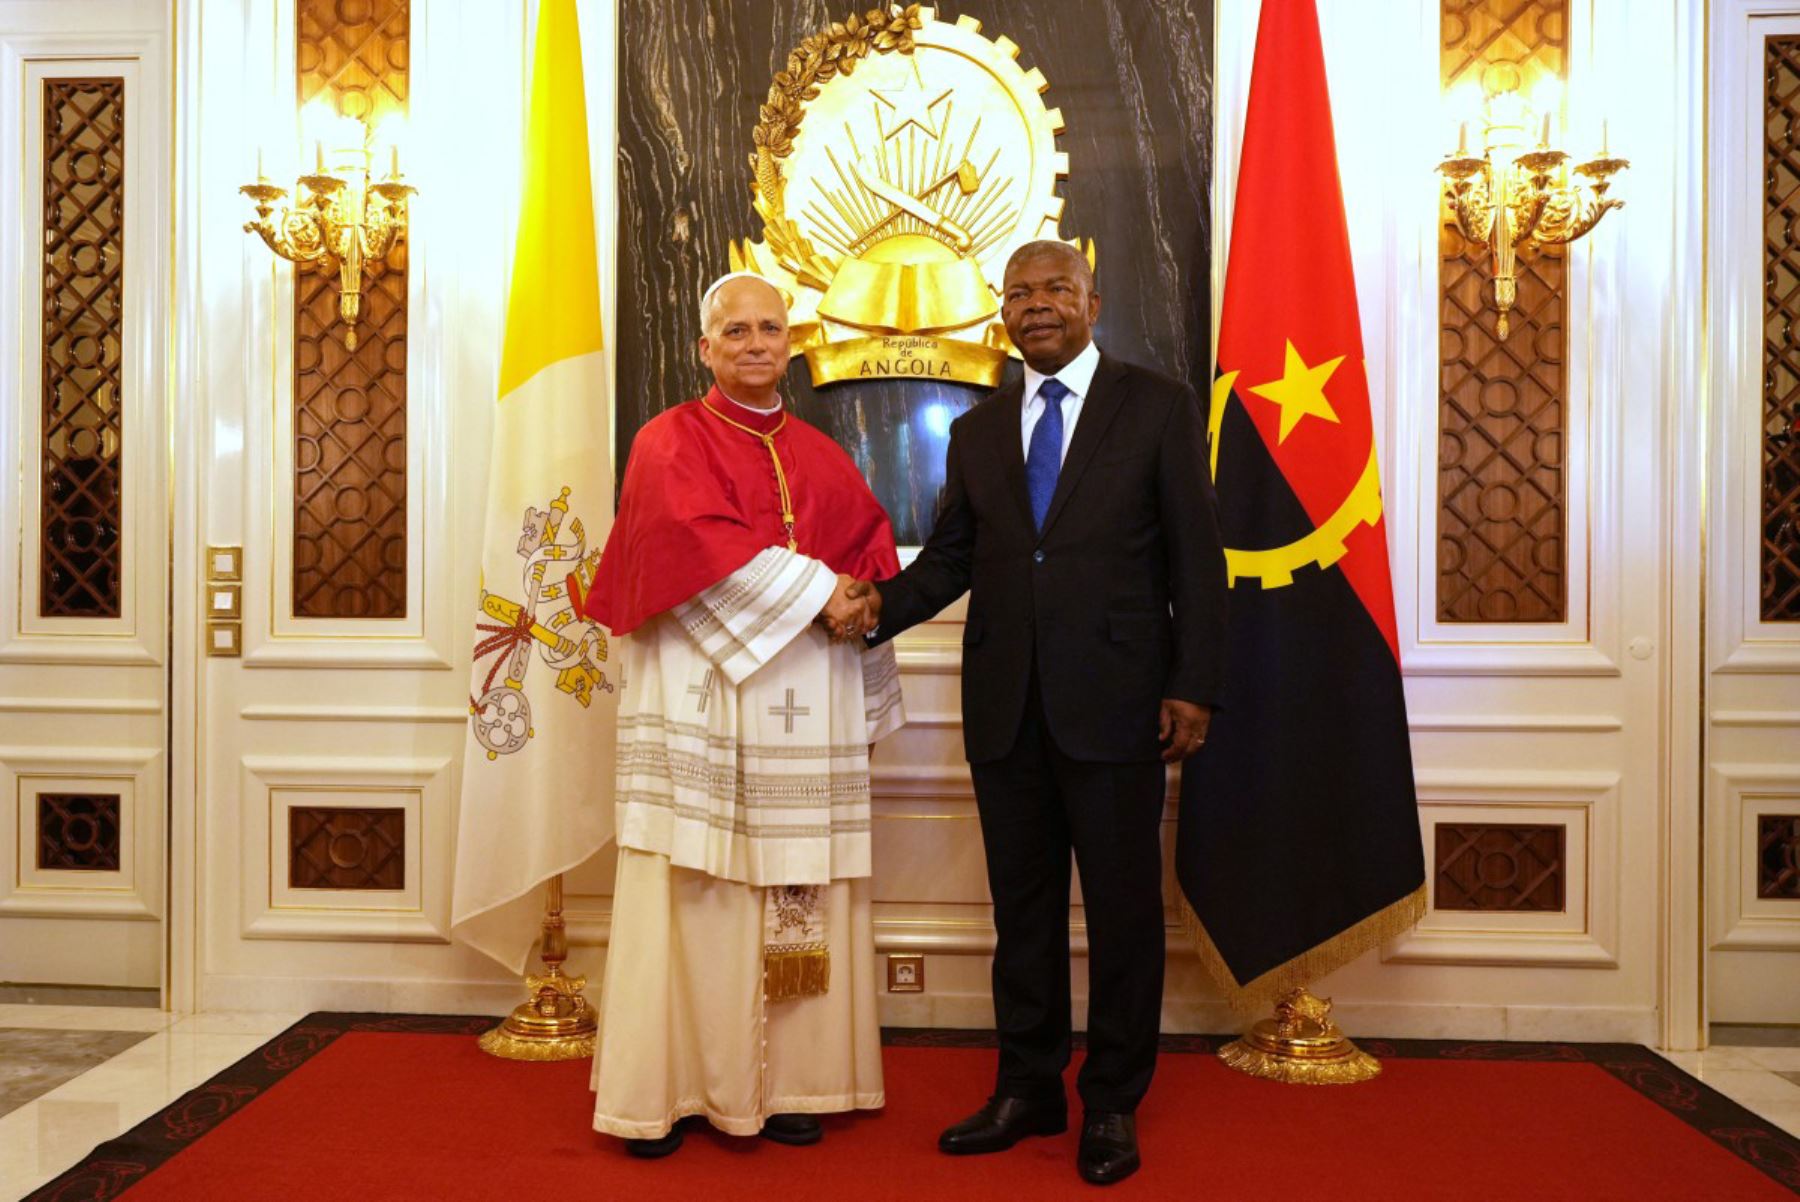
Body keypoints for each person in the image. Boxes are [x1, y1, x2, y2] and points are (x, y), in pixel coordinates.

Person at [848, 240, 1227, 1185]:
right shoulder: (978, 429)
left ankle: (1110, 1103)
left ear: (1093, 302)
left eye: (1055, 288)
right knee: (1021, 914)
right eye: (1019, 293)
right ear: (1001, 314)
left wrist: (1193, 685)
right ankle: (1026, 1088)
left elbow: (1198, 561)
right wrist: (870, 607)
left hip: (1121, 707)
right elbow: (950, 560)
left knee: (1124, 914)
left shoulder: (1158, 405)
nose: (1037, 304)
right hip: (1007, 708)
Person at [571, 272, 904, 1157]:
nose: (756, 343)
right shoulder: (667, 440)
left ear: (789, 344)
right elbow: (690, 542)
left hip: (800, 715)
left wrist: (863, 600)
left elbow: (868, 549)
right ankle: (668, 1091)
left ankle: (789, 1083)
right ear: (705, 348)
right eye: (737, 331)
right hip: (703, 709)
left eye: (771, 329)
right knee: (697, 892)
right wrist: (818, 591)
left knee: (796, 897)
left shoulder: (823, 452)